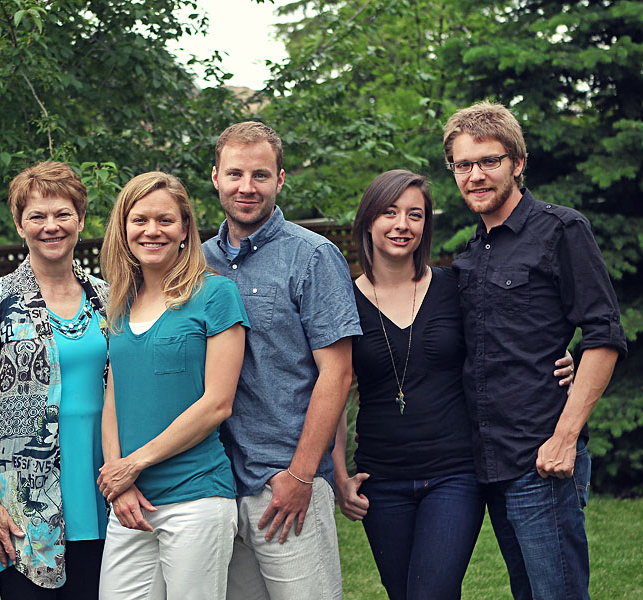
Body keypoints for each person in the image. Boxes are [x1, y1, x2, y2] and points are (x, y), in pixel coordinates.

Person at [333, 170, 575, 600]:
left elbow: (504, 339)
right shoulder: (340, 300)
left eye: (415, 214)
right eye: (389, 213)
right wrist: (339, 474)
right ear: (368, 220)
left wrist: (556, 356)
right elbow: (332, 387)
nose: (402, 225)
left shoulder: (453, 285)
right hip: (381, 478)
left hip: (454, 472)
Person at [444, 102, 627, 599]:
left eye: (489, 161)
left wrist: (565, 437)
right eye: (463, 165)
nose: (475, 175)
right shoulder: (468, 254)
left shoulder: (561, 230)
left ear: (517, 163)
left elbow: (604, 335)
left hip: (542, 457)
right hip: (490, 459)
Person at [202, 121, 361, 599]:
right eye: (234, 174)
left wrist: (301, 475)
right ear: (215, 178)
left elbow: (338, 372)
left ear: (281, 179)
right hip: (216, 481)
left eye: (260, 175)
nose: (246, 187)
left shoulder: (312, 256)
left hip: (284, 483)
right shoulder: (196, 262)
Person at [0, 162, 109, 600]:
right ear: (20, 224)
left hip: (105, 489)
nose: (51, 226)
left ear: (80, 219)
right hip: (26, 503)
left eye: (62, 214)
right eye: (37, 216)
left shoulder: (108, 297)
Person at [97, 171, 248, 599]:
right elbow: (114, 396)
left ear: (185, 230)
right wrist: (117, 478)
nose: (152, 230)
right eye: (139, 220)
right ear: (124, 229)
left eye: (165, 220)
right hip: (129, 500)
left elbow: (218, 403)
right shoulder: (121, 303)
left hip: (196, 497)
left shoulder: (215, 294)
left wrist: (135, 463)